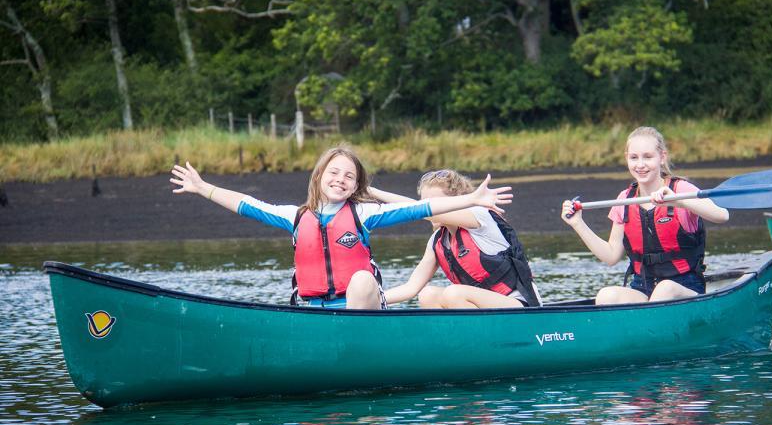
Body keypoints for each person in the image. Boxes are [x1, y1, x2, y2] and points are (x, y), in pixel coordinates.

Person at [170, 146, 512, 309]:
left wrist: (471, 200)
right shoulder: (294, 216)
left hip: (361, 313)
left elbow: (421, 208)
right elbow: (247, 204)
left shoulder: (364, 213)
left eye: (349, 176)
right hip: (316, 311)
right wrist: (204, 188)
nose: (340, 179)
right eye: (334, 172)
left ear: (355, 186)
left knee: (362, 278)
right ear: (320, 176)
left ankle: (354, 351)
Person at [560, 126, 729, 305]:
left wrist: (678, 202)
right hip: (643, 287)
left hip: (684, 287)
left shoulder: (680, 190)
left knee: (665, 288)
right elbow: (611, 256)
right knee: (606, 295)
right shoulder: (624, 199)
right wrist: (577, 223)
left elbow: (722, 215)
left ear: (662, 157)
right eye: (634, 158)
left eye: (648, 157)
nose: (640, 164)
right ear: (627, 159)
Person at [371, 169, 541, 309]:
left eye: (433, 203)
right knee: (427, 294)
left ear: (457, 201)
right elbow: (410, 289)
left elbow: (418, 211)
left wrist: (373, 192)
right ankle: (455, 344)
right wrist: (361, 303)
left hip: (520, 307)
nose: (428, 208)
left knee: (454, 293)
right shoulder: (437, 241)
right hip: (487, 312)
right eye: (425, 203)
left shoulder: (479, 217)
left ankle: (474, 344)